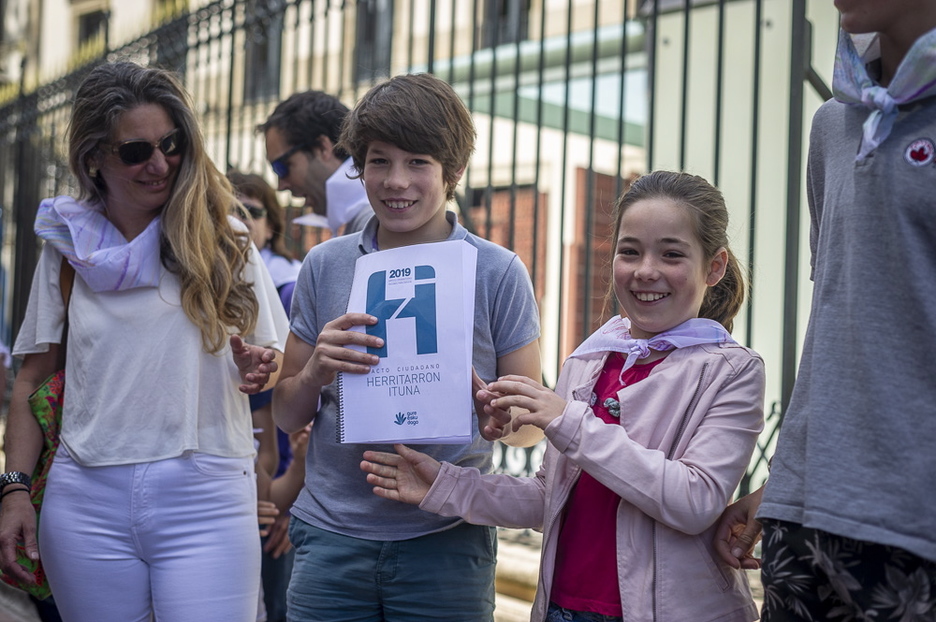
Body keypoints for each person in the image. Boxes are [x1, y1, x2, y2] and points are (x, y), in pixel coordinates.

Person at [362, 170, 767, 622]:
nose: (645, 271)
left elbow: (694, 502)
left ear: (714, 267)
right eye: (630, 251)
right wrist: (444, 484)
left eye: (672, 254)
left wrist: (568, 421)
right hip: (562, 610)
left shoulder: (733, 371)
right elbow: (546, 497)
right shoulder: (591, 358)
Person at [0, 61, 288, 622]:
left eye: (170, 144)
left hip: (206, 495)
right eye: (135, 152)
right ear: (94, 158)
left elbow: (274, 357)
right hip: (84, 500)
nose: (159, 164)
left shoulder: (225, 238)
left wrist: (263, 367)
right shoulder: (67, 242)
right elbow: (31, 378)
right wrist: (13, 490)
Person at [272, 73, 542, 621]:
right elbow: (285, 412)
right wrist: (315, 370)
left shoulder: (496, 271)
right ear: (359, 166)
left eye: (418, 161)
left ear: (453, 171)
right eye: (379, 161)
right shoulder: (325, 264)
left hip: (446, 536)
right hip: (331, 537)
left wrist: (501, 415)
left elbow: (531, 428)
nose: (396, 181)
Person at [715, 2, 936, 618]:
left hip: (917, 532)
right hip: (804, 522)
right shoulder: (833, 125)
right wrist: (785, 479)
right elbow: (839, 320)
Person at [228, 170, 303, 622]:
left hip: (282, 490)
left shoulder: (291, 287)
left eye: (251, 212)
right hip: (244, 483)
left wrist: (292, 503)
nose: (239, 221)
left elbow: (305, 396)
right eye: (228, 211)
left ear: (272, 223)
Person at [257, 90, 373, 236]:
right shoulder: (359, 217)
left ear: (322, 148)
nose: (281, 186)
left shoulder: (372, 221)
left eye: (281, 167)